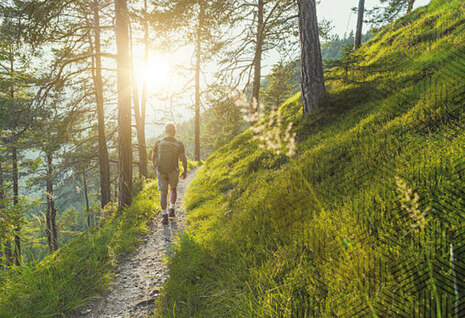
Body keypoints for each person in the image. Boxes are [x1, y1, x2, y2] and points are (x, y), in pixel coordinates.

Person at [152, 123, 188, 224]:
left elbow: (153, 157)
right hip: (173, 170)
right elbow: (183, 159)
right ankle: (171, 210)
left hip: (161, 170)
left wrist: (156, 167)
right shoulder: (179, 143)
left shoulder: (158, 142)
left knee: (163, 193)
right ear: (174, 131)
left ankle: (164, 216)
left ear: (165, 131)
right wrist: (185, 170)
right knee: (173, 189)